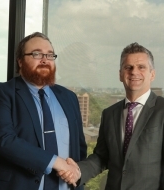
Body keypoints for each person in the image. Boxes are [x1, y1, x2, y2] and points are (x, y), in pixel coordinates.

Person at [0, 32, 87, 190]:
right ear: (20, 61)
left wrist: (75, 172)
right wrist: (56, 162)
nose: (45, 60)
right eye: (37, 54)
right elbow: (5, 141)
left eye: (50, 55)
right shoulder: (1, 93)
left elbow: (79, 148)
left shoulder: (69, 97)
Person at [59, 42, 164, 190]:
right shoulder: (109, 114)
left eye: (141, 67)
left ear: (152, 74)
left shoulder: (162, 110)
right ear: (121, 74)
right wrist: (78, 171)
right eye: (128, 67)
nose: (134, 72)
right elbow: (102, 157)